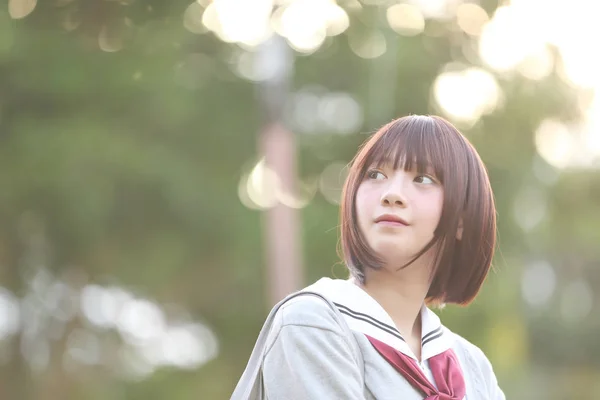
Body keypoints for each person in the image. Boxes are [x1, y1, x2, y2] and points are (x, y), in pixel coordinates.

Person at [231, 115, 505, 399]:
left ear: (461, 220)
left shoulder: (472, 369)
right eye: (375, 174)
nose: (392, 194)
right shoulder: (313, 324)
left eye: (423, 179)